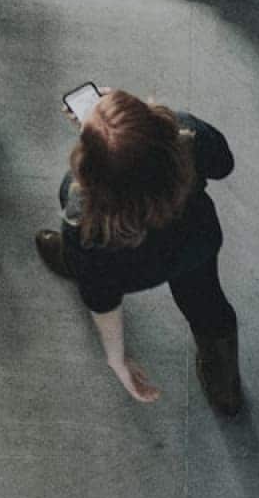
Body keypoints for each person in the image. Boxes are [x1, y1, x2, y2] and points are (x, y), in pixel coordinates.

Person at [35, 87, 243, 414]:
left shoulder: (82, 212)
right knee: (206, 301)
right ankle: (225, 382)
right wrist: (130, 123)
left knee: (87, 267)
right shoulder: (188, 136)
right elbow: (224, 164)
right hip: (194, 243)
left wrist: (117, 360)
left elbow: (102, 300)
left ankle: (70, 261)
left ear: (90, 167)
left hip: (128, 271)